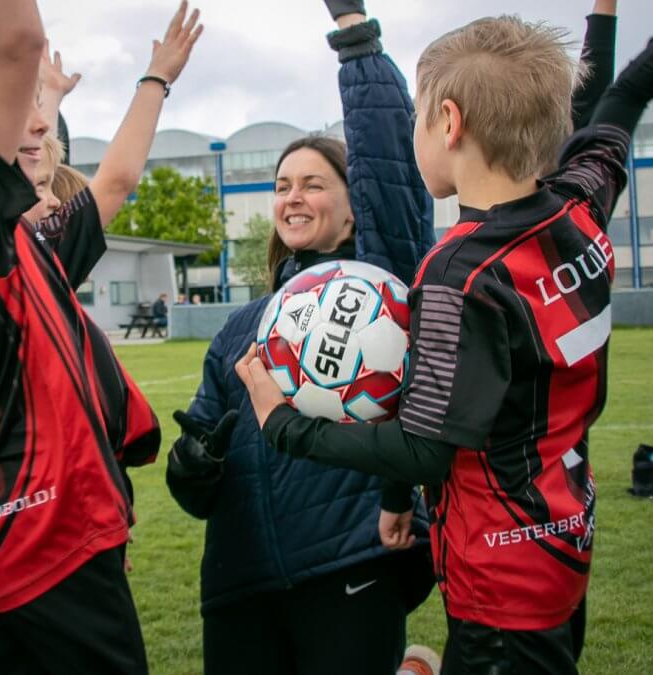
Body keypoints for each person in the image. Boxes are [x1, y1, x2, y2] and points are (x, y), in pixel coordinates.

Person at [234, 1, 653, 673]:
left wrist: (284, 423)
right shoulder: (582, 206)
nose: (413, 136)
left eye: (418, 118)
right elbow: (626, 94)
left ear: (450, 121)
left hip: (498, 578)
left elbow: (424, 448)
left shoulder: (460, 273)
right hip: (563, 537)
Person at [0, 3, 201, 672]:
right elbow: (19, 42)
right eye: (5, 103)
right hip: (46, 543)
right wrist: (149, 76)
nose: (30, 121)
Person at [164, 3, 437, 672]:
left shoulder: (379, 285)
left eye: (314, 183)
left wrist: (355, 35)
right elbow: (196, 487)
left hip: (349, 564)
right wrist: (191, 461)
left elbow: (389, 165)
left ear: (352, 208)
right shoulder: (237, 329)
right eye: (283, 185)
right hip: (239, 582)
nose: (292, 197)